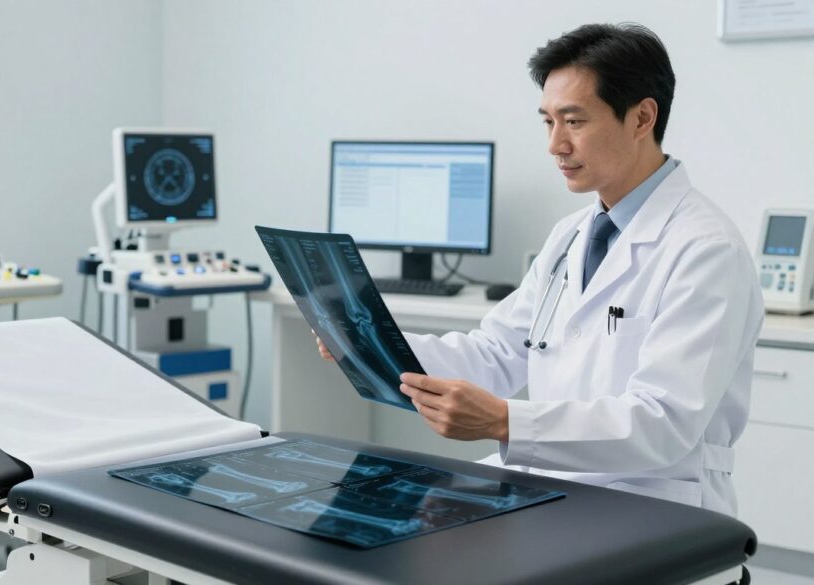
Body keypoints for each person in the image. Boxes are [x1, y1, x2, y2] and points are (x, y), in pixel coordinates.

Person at [316, 23, 763, 516]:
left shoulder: (705, 249)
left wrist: (507, 422)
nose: (555, 144)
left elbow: (665, 423)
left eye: (573, 121)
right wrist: (369, 345)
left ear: (641, 118)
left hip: (653, 503)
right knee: (391, 510)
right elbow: (496, 354)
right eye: (547, 122)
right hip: (555, 487)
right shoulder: (570, 235)